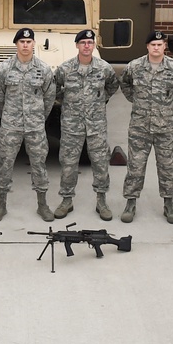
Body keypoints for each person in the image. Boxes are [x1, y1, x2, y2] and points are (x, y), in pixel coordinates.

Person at [119, 30, 173, 223]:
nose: (156, 48)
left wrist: (172, 102)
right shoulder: (134, 67)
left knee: (167, 167)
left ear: (164, 47)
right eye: (153, 45)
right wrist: (136, 100)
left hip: (166, 128)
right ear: (147, 46)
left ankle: (169, 203)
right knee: (135, 167)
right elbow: (125, 84)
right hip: (139, 127)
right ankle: (130, 202)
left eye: (160, 45)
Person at [52, 29, 120, 220]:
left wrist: (99, 100)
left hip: (96, 125)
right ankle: (66, 200)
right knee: (68, 164)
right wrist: (68, 102)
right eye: (83, 43)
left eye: (90, 43)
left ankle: (101, 200)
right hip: (71, 125)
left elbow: (112, 86)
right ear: (77, 46)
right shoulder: (65, 69)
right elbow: (54, 89)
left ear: (93, 45)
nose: (87, 46)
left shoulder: (103, 68)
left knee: (100, 164)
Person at [0, 27, 56, 223]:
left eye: (29, 42)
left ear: (34, 44)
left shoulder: (43, 69)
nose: (25, 45)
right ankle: (0, 205)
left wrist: (38, 117)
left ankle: (42, 204)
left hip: (35, 126)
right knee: (5, 164)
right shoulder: (4, 69)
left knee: (39, 165)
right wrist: (9, 116)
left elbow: (49, 97)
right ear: (16, 44)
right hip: (11, 126)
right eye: (22, 42)